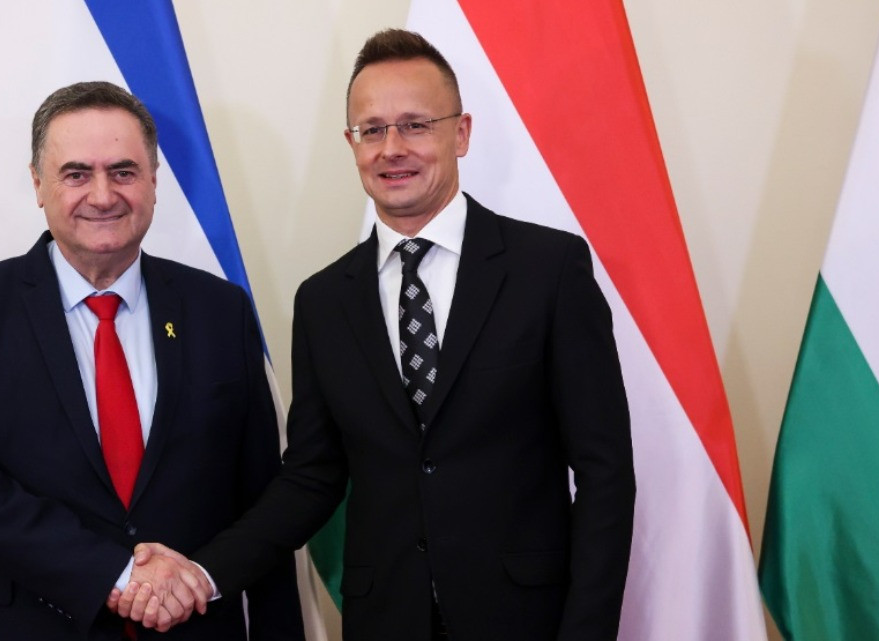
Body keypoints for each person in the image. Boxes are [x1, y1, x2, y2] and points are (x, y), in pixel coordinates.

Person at [114, 29, 635, 640]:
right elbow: (311, 478)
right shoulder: (323, 301)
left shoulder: (548, 270)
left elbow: (605, 473)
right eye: (372, 129)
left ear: (461, 133)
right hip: (385, 620)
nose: (392, 148)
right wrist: (203, 573)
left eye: (415, 125)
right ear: (352, 143)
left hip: (526, 621)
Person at [0, 81, 302, 640]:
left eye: (123, 172)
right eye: (76, 174)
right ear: (38, 184)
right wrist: (118, 575)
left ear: (154, 181)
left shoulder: (220, 310)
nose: (102, 195)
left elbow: (262, 495)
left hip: (194, 626)